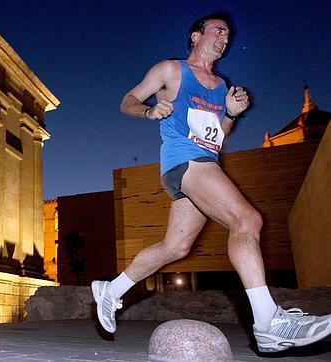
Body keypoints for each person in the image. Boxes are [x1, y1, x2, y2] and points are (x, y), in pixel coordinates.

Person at [92, 12, 331, 353]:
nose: (224, 38)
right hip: (185, 160)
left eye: (228, 35)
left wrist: (231, 113)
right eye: (218, 31)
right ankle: (269, 323)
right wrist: (148, 111)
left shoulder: (220, 86)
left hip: (204, 161)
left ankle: (110, 290)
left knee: (176, 247)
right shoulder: (171, 70)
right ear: (195, 36)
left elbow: (219, 135)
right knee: (247, 220)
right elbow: (127, 101)